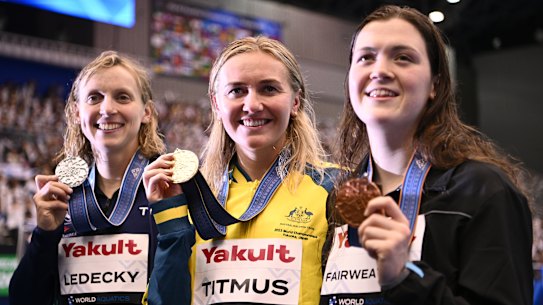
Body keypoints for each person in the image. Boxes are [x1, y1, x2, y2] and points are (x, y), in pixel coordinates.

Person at [320, 5, 533, 305]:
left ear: (435, 84)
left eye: (403, 57)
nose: (380, 70)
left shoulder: (484, 191)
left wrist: (405, 278)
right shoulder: (341, 200)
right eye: (366, 57)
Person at [143, 36, 339, 305]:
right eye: (237, 91)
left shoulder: (333, 187)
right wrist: (173, 226)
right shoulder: (189, 195)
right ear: (216, 104)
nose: (252, 104)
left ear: (295, 101)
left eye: (269, 89)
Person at [8, 50, 185, 305]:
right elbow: (23, 300)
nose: (107, 109)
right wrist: (45, 235)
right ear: (78, 113)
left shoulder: (169, 190)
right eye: (94, 98)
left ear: (147, 112)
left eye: (122, 97)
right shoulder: (63, 198)